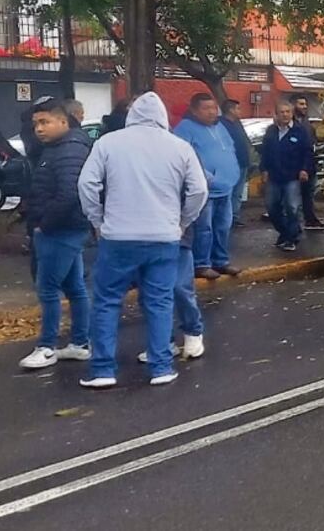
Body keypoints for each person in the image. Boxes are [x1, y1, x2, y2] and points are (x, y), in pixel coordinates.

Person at [78, 92, 208, 388]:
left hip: (118, 236)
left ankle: (102, 370)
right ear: (162, 117)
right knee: (159, 301)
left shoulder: (108, 143)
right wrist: (182, 222)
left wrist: (97, 220)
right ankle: (161, 366)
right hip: (164, 236)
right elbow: (199, 191)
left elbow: (87, 184)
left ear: (131, 115)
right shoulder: (180, 147)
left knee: (107, 301)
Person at [18, 99, 94, 370]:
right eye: (36, 124)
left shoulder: (68, 151)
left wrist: (44, 224)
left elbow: (70, 193)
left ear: (63, 121)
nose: (39, 129)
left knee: (48, 288)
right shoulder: (58, 147)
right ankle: (79, 343)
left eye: (45, 122)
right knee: (74, 287)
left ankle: (47, 346)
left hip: (61, 229)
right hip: (66, 227)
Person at [174, 93, 242, 280]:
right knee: (204, 228)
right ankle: (201, 264)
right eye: (206, 108)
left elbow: (230, 149)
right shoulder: (184, 129)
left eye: (214, 108)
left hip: (226, 188)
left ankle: (221, 261)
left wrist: (233, 171)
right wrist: (207, 178)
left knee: (223, 227)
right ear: (195, 110)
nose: (212, 112)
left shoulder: (220, 127)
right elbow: (183, 158)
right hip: (204, 191)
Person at [136, 221, 206, 365]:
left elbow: (196, 199)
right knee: (148, 293)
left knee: (180, 287)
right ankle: (163, 343)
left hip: (175, 233)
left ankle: (193, 331)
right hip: (142, 237)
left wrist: (184, 221)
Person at [260, 100, 314, 252]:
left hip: (292, 176)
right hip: (274, 176)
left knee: (292, 207)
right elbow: (265, 151)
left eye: (287, 112)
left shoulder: (300, 130)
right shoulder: (271, 131)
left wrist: (304, 170)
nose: (285, 115)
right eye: (281, 112)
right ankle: (285, 232)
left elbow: (308, 152)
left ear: (291, 113)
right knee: (272, 208)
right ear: (276, 114)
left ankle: (291, 238)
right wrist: (264, 169)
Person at [293, 95, 324, 231]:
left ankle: (310, 219)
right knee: (294, 196)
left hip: (310, 163)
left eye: (305, 104)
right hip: (296, 165)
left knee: (308, 194)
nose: (304, 106)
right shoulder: (292, 123)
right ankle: (293, 225)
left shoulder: (306, 122)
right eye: (301, 104)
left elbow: (311, 143)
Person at [221, 99, 252, 228]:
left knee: (238, 192)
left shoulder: (237, 123)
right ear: (231, 110)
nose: (240, 111)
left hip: (243, 162)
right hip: (230, 164)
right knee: (230, 191)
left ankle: (234, 216)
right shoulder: (221, 125)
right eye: (238, 109)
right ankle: (226, 217)